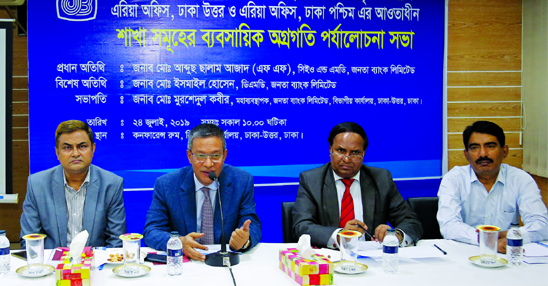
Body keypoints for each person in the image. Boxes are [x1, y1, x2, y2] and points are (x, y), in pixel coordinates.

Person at [292, 122, 423, 248]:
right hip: (329, 257)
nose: (347, 159)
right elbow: (302, 226)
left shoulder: (381, 179)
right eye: (340, 150)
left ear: (363, 153)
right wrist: (339, 236)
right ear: (330, 149)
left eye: (355, 153)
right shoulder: (312, 180)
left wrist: (396, 235)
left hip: (373, 259)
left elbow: (411, 222)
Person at [143, 123, 262, 260]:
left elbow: (253, 225)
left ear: (224, 155)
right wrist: (179, 242)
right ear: (189, 156)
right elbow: (151, 231)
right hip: (185, 263)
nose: (208, 164)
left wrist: (244, 240)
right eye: (200, 155)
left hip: (225, 262)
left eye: (215, 155)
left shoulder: (241, 181)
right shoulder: (167, 185)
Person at [437, 121, 548, 252]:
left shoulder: (521, 179)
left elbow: (541, 225)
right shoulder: (454, 179)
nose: (483, 154)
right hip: (467, 251)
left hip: (507, 250)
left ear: (504, 151)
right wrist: (487, 239)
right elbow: (449, 225)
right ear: (466, 155)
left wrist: (509, 236)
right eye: (474, 148)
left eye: (490, 146)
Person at [20, 120, 126, 248]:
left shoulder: (111, 184)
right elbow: (30, 240)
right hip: (52, 264)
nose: (75, 153)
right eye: (67, 147)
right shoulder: (37, 184)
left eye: (82, 146)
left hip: (94, 263)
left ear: (93, 149)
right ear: (57, 153)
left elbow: (116, 241)